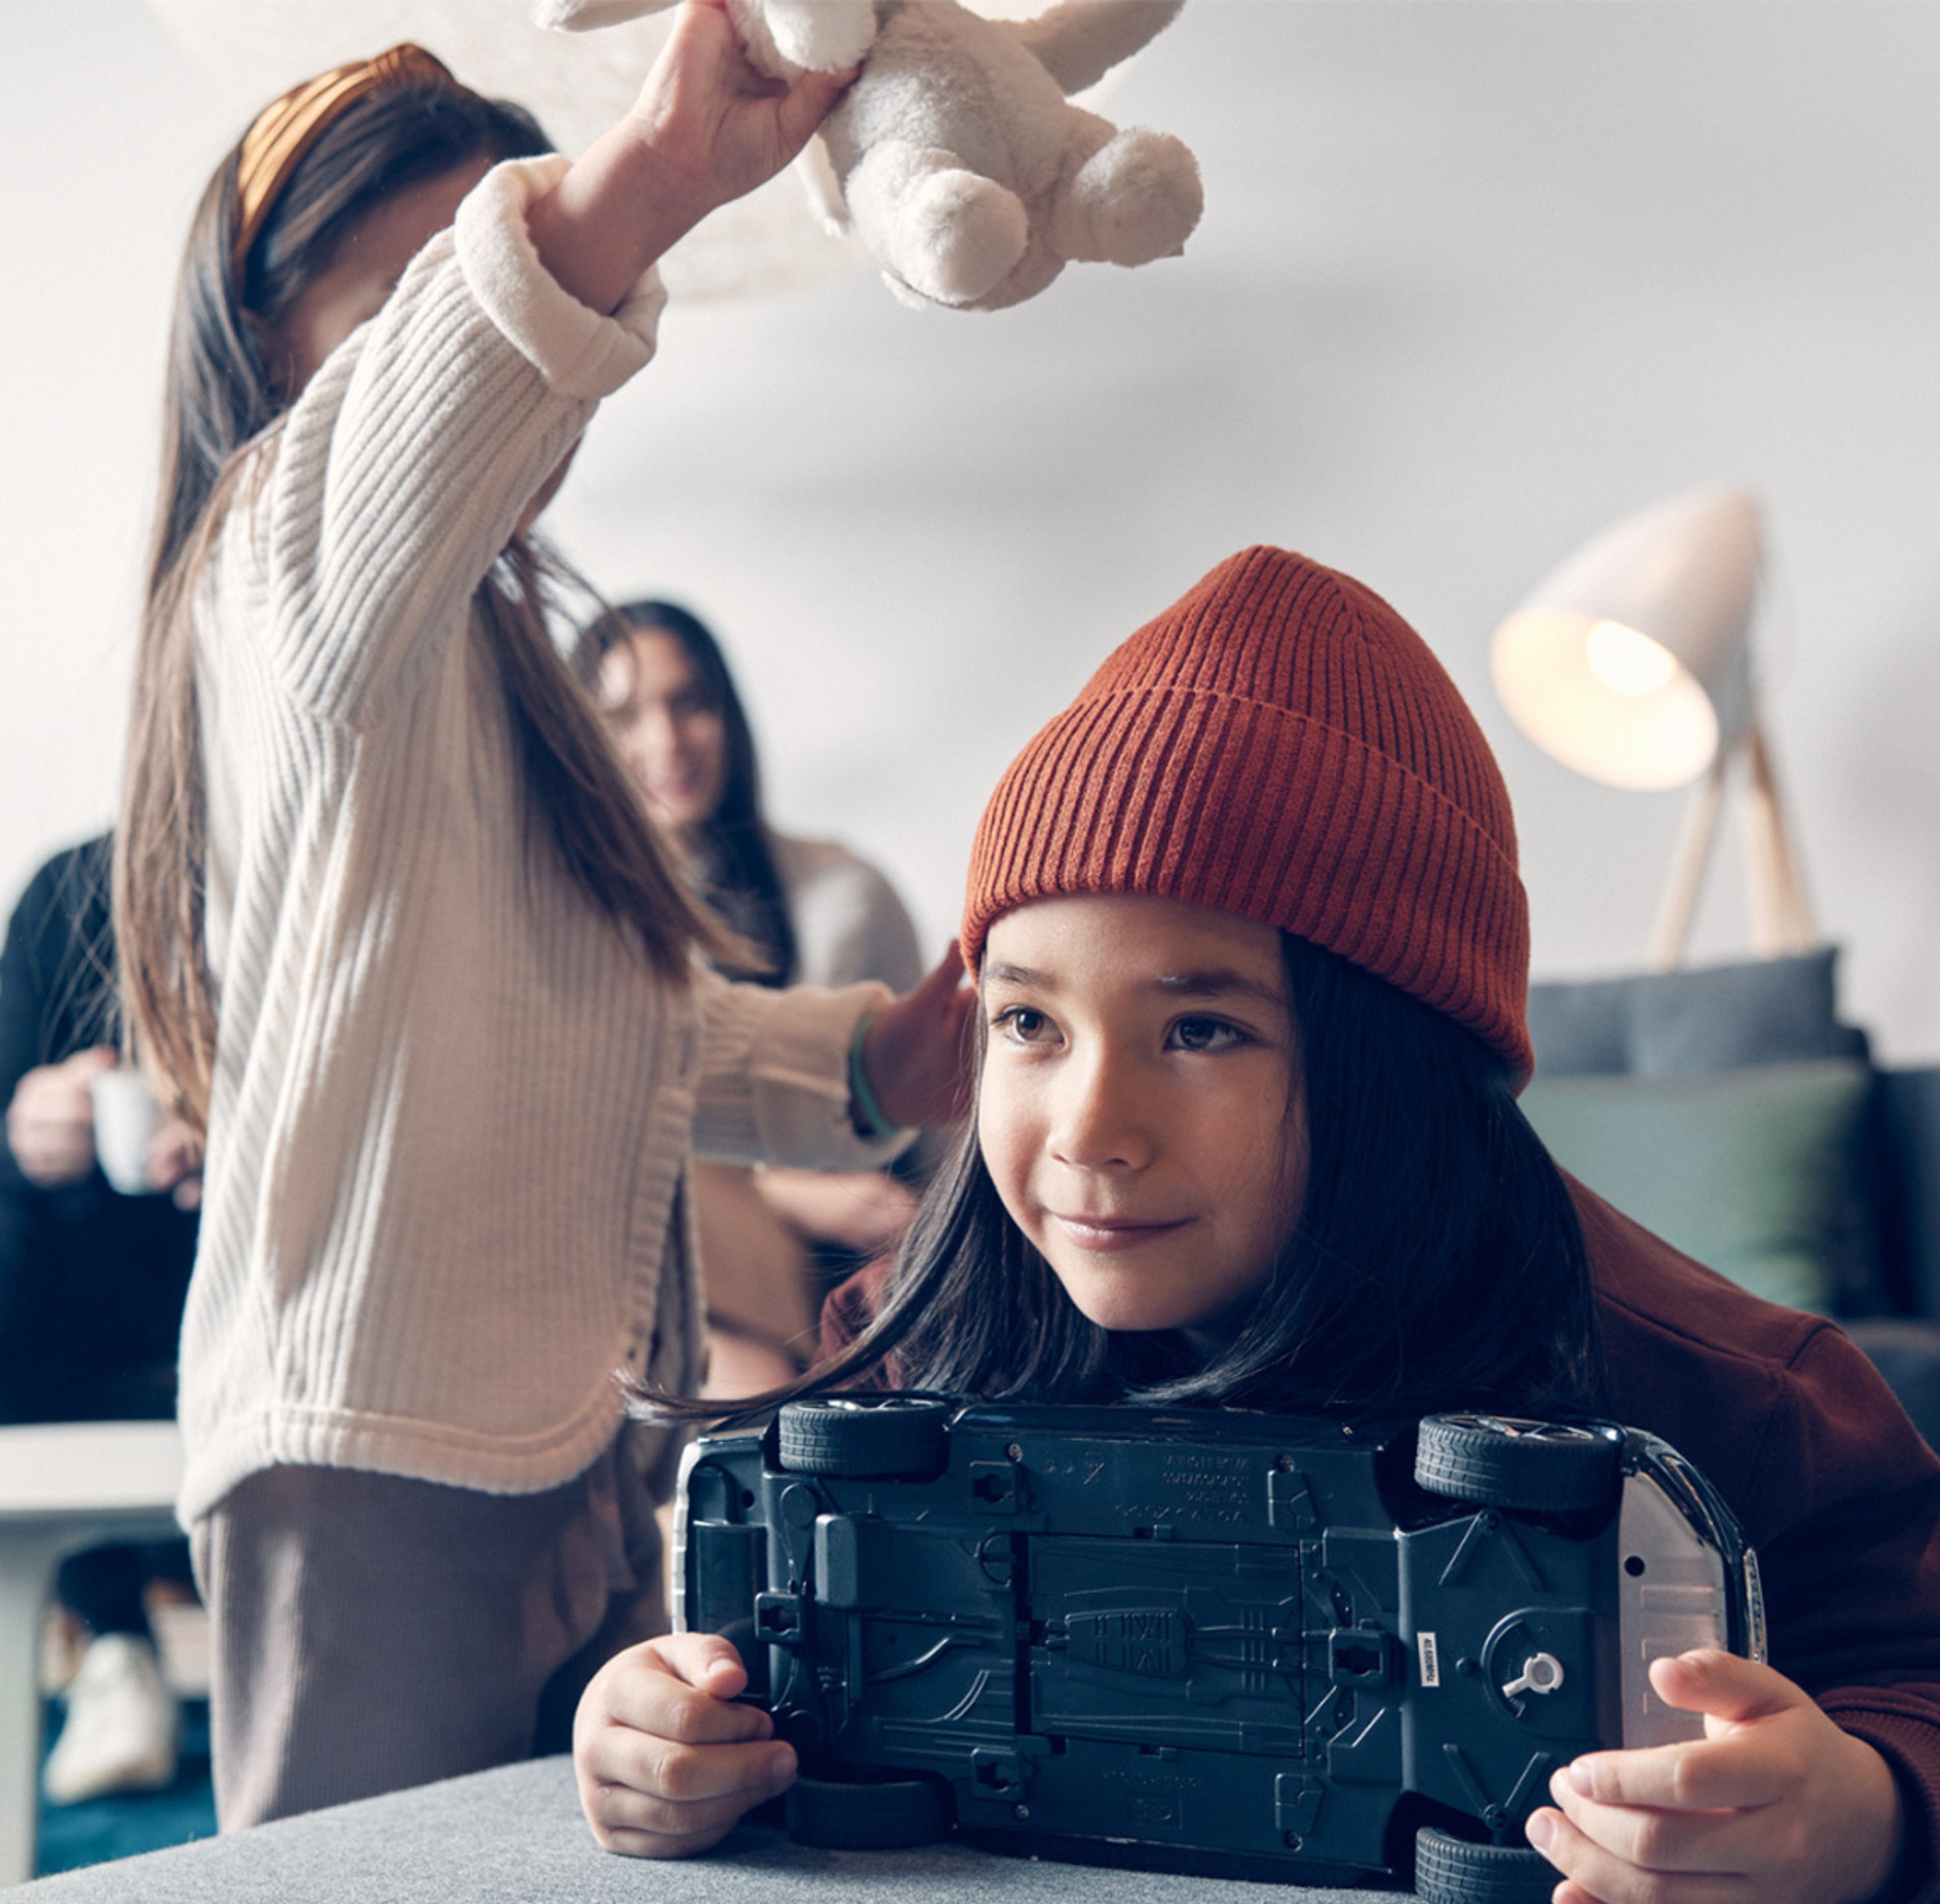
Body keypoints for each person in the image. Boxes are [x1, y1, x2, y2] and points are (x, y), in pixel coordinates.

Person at [571, 546, 1940, 1904]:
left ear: (1395, 1067)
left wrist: (1866, 1813)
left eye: (1202, 1028)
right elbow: (738, 1682)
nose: (1090, 1126)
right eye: (1029, 1024)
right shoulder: (908, 1341)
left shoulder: (1747, 1396)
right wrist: (658, 1724)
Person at [109, 10, 972, 1831]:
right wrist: (647, 175)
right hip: (371, 1438)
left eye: (471, 267)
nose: (462, 332)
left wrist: (883, 1052)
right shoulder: (282, 565)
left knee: (579, 1856)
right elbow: (422, 408)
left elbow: (612, 1024)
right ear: (268, 338)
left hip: (571, 1425)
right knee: (366, 1877)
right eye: (408, 286)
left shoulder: (495, 671)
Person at [576, 599, 931, 1389]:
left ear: (728, 715)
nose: (666, 741)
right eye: (625, 716)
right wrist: (789, 1191)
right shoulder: (572, 925)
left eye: (690, 703)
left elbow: (935, 1121)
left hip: (859, 1245)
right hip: (674, 1266)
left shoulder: (847, 893)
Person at [0, 834, 201, 1804]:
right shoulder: (71, 890)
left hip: (264, 1259)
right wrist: (27, 1131)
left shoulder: (337, 869)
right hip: (99, 1281)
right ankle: (113, 1641)